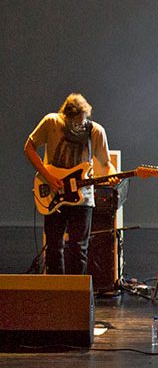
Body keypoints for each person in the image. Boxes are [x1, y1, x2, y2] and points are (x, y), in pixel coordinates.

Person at [24, 93, 113, 274]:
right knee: (54, 247)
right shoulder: (52, 122)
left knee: (78, 248)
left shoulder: (96, 131)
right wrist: (47, 176)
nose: (77, 126)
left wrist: (112, 176)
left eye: (81, 121)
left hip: (83, 198)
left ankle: (75, 295)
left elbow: (106, 164)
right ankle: (57, 293)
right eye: (73, 122)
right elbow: (29, 147)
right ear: (65, 116)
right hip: (54, 193)